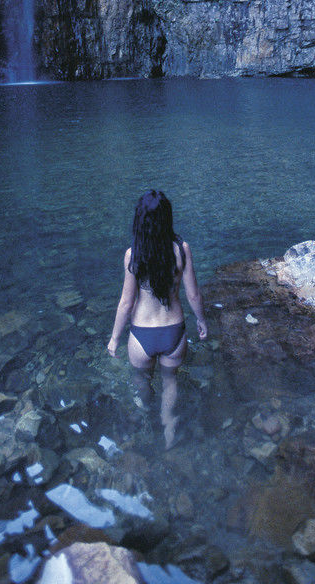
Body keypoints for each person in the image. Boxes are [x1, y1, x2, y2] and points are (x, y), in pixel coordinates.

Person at [107, 190, 207, 446]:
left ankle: (144, 420)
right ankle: (169, 428)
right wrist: (201, 321)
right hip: (173, 331)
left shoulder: (133, 254)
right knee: (170, 381)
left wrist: (115, 338)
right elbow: (193, 294)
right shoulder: (182, 250)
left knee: (142, 381)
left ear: (139, 221)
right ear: (167, 218)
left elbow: (126, 302)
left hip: (142, 335)